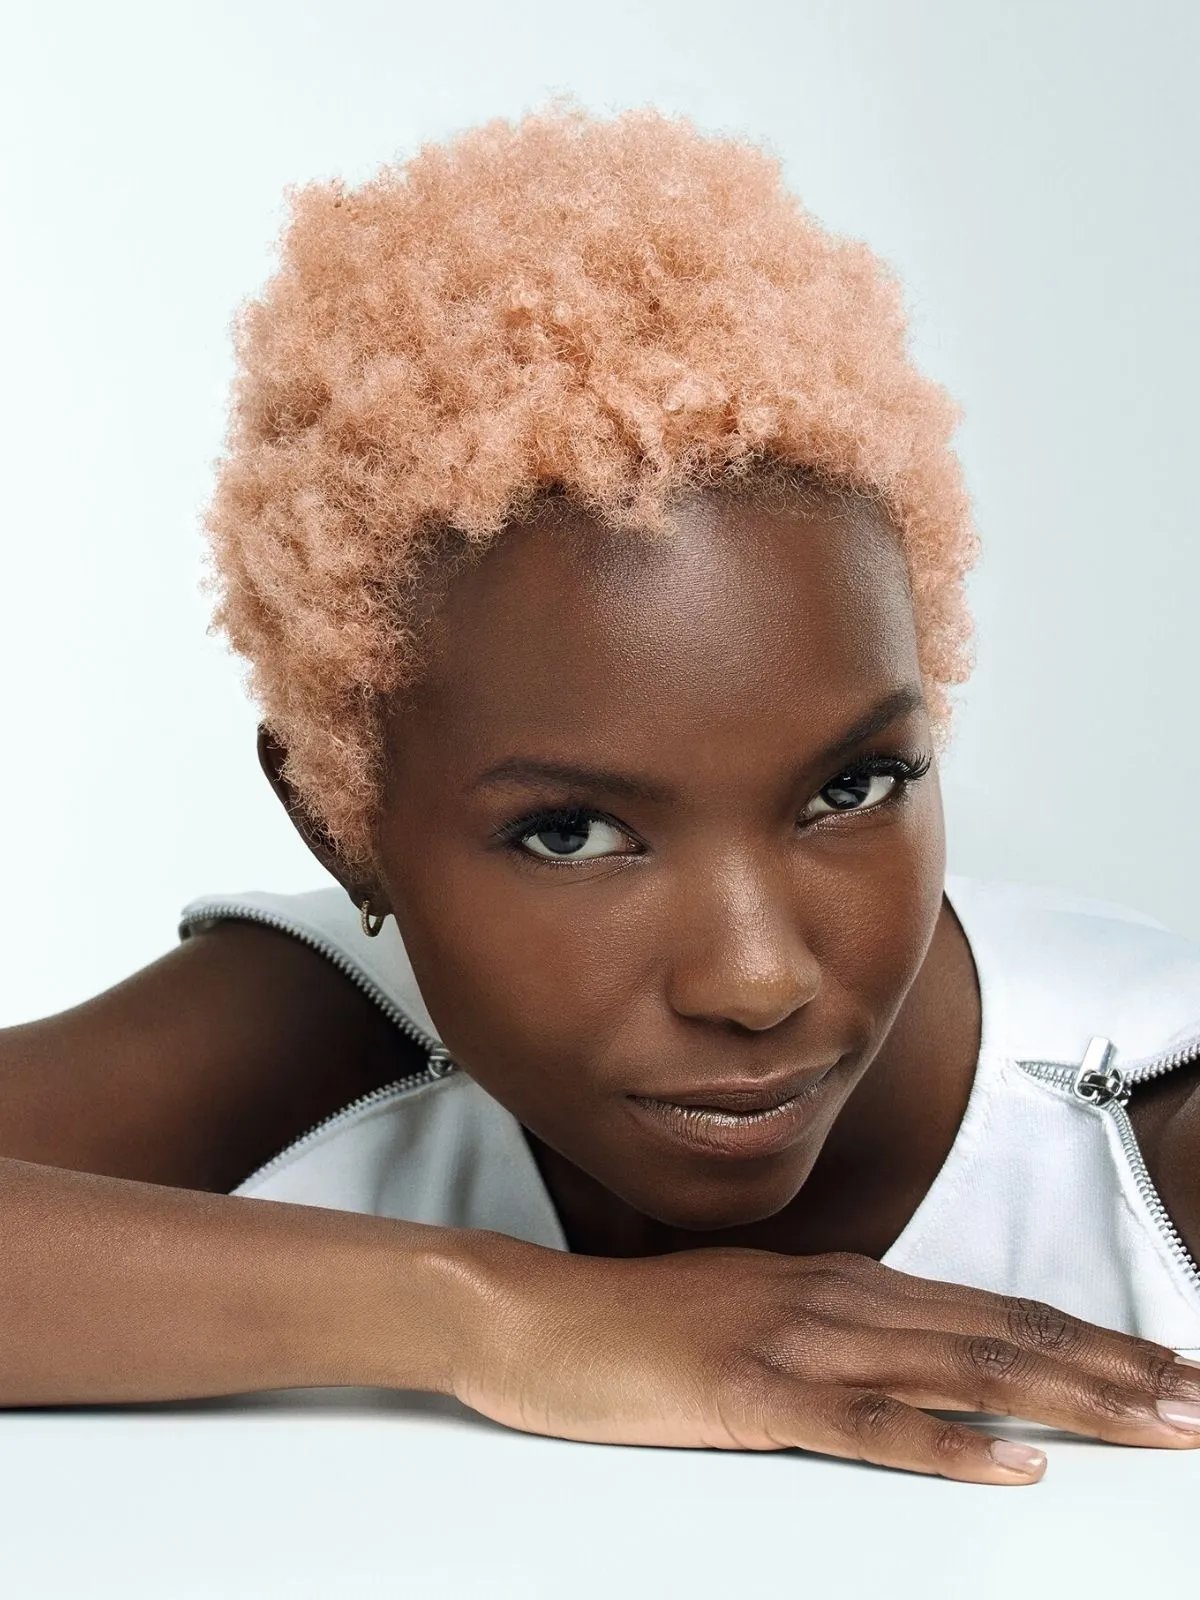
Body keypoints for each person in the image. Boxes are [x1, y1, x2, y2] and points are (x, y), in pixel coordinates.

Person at [3, 102, 1199, 1488]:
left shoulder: (1149, 1150)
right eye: (571, 833)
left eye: (853, 786)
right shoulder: (329, 1029)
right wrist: (499, 1319)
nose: (756, 980)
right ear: (342, 827)